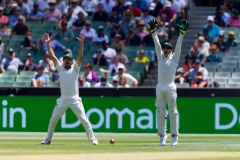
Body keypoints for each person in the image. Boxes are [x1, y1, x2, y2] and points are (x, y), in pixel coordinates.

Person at [41, 32, 98, 145]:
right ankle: (48, 139)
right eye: (65, 59)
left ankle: (93, 139)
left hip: (74, 100)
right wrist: (48, 44)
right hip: (63, 99)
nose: (66, 60)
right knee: (53, 120)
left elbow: (80, 56)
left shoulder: (75, 68)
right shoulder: (60, 67)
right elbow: (52, 56)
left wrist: (81, 43)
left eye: (69, 59)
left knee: (84, 120)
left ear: (72, 61)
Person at [148, 18, 188, 146]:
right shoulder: (160, 57)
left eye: (167, 48)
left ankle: (175, 136)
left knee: (173, 111)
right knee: (160, 111)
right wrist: (153, 32)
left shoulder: (175, 59)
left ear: (171, 50)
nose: (164, 49)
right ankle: (162, 136)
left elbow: (179, 46)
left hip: (170, 86)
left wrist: (181, 34)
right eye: (164, 47)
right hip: (160, 86)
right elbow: (156, 44)